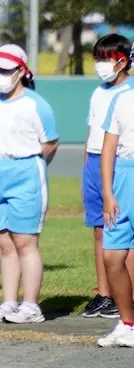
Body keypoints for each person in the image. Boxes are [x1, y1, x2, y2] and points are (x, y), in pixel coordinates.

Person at [0, 44, 59, 325]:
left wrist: (30, 166)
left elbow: (50, 142)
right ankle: (9, 302)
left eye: (5, 70)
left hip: (26, 173)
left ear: (21, 71)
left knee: (25, 242)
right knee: (4, 243)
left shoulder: (36, 104)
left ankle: (31, 306)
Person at [84, 34, 134, 320]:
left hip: (120, 163)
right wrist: (86, 167)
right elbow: (94, 133)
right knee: (100, 230)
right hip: (95, 161)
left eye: (106, 59)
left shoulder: (127, 93)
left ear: (122, 61)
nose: (100, 65)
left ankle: (125, 297)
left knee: (123, 233)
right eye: (97, 58)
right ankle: (104, 293)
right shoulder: (98, 92)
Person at [98, 68, 134, 347]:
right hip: (122, 179)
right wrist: (109, 193)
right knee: (112, 257)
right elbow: (108, 148)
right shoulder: (122, 99)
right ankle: (126, 323)